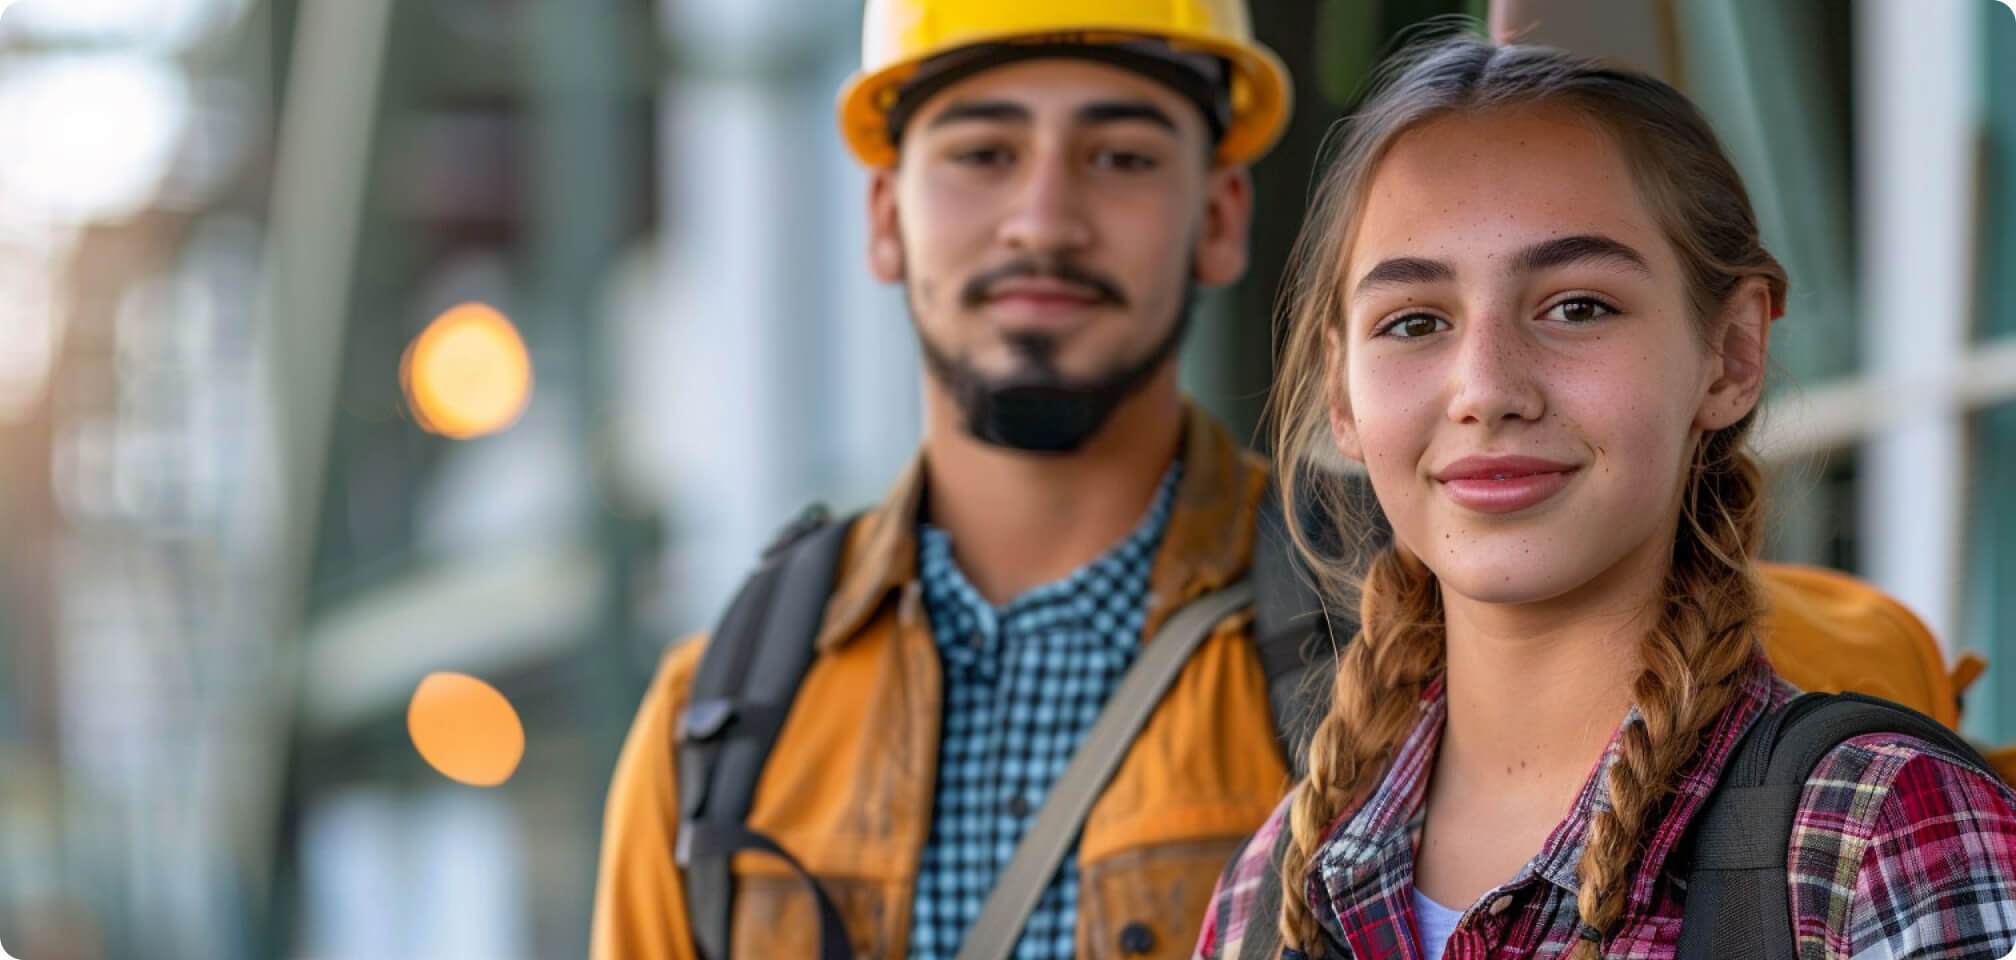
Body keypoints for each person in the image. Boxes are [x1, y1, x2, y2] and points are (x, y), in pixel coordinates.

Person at [592, 4, 1989, 958]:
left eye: (1122, 154)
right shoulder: (724, 717)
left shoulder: (1352, 606)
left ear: (1219, 218)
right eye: (979, 153)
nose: (1043, 215)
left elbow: (1739, 709)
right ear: (885, 217)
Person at [1195, 35, 2016, 960]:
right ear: (1342, 397)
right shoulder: (1270, 891)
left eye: (1577, 305)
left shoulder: (1873, 839)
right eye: (1415, 322)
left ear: (1732, 354)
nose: (1487, 388)